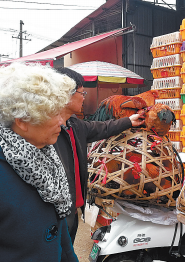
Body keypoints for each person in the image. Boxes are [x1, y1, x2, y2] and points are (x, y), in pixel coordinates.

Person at [0, 63, 84, 262]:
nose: (62, 122)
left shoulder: (43, 152)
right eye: (53, 114)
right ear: (22, 120)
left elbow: (55, 215)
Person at [54, 67, 145, 243]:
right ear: (66, 94)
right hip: (56, 215)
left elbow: (101, 127)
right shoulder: (45, 134)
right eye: (82, 92)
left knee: (64, 261)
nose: (84, 97)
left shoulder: (74, 125)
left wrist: (129, 121)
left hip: (73, 211)